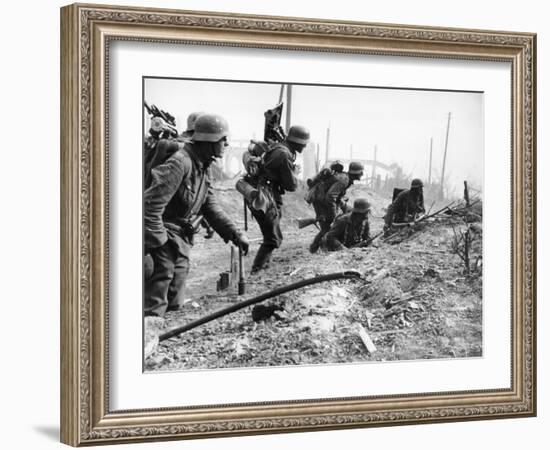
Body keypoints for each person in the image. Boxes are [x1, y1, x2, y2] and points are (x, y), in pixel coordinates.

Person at [144, 113, 249, 317]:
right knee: (154, 306)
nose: (226, 143)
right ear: (208, 141)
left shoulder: (203, 166)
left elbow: (210, 206)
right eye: (222, 139)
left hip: (181, 241)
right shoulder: (180, 163)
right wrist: (161, 245)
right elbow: (149, 207)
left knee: (175, 304)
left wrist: (234, 234)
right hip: (164, 239)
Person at [248, 125, 310, 273]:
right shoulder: (283, 154)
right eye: (304, 143)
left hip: (264, 194)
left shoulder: (278, 148)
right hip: (266, 197)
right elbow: (291, 185)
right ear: (298, 142)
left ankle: (263, 268)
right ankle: (257, 271)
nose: (305, 146)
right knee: (273, 238)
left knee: (271, 236)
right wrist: (294, 172)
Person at [308, 161, 365, 253]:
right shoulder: (344, 180)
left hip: (321, 200)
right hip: (320, 201)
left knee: (327, 225)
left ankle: (317, 247)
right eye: (361, 172)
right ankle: (317, 248)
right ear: (357, 173)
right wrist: (334, 216)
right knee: (328, 225)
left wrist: (345, 207)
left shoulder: (345, 179)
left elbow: (337, 197)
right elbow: (330, 197)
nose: (362, 175)